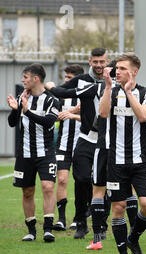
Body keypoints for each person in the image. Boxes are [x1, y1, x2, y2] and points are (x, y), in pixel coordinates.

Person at [99, 53, 146, 254]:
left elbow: (143, 116)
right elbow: (103, 114)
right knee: (118, 208)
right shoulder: (111, 92)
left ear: (134, 71)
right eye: (117, 68)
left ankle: (133, 239)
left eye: (122, 68)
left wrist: (129, 92)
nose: (117, 72)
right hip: (117, 160)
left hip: (142, 160)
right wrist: (106, 88)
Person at [46, 48, 109, 238]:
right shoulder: (82, 80)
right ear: (89, 61)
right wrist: (49, 86)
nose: (99, 65)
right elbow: (61, 90)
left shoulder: (113, 79)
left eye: (102, 62)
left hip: (107, 141)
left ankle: (101, 224)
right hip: (86, 138)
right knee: (81, 179)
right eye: (95, 61)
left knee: (104, 184)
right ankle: (81, 221)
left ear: (107, 62)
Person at [7, 63, 60, 242]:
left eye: (26, 77)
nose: (23, 80)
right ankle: (31, 230)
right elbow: (12, 123)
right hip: (25, 154)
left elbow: (47, 122)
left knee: (47, 187)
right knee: (27, 191)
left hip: (45, 153)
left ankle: (48, 229)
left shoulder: (52, 100)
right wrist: (16, 110)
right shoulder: (22, 96)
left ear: (35, 78)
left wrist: (27, 111)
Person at [52, 64, 83, 231]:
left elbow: (91, 119)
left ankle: (79, 217)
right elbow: (53, 118)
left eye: (69, 78)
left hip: (81, 146)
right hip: (63, 145)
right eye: (65, 77)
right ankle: (61, 219)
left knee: (81, 182)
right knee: (62, 180)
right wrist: (72, 111)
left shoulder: (85, 95)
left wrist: (75, 113)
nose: (66, 81)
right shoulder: (60, 97)